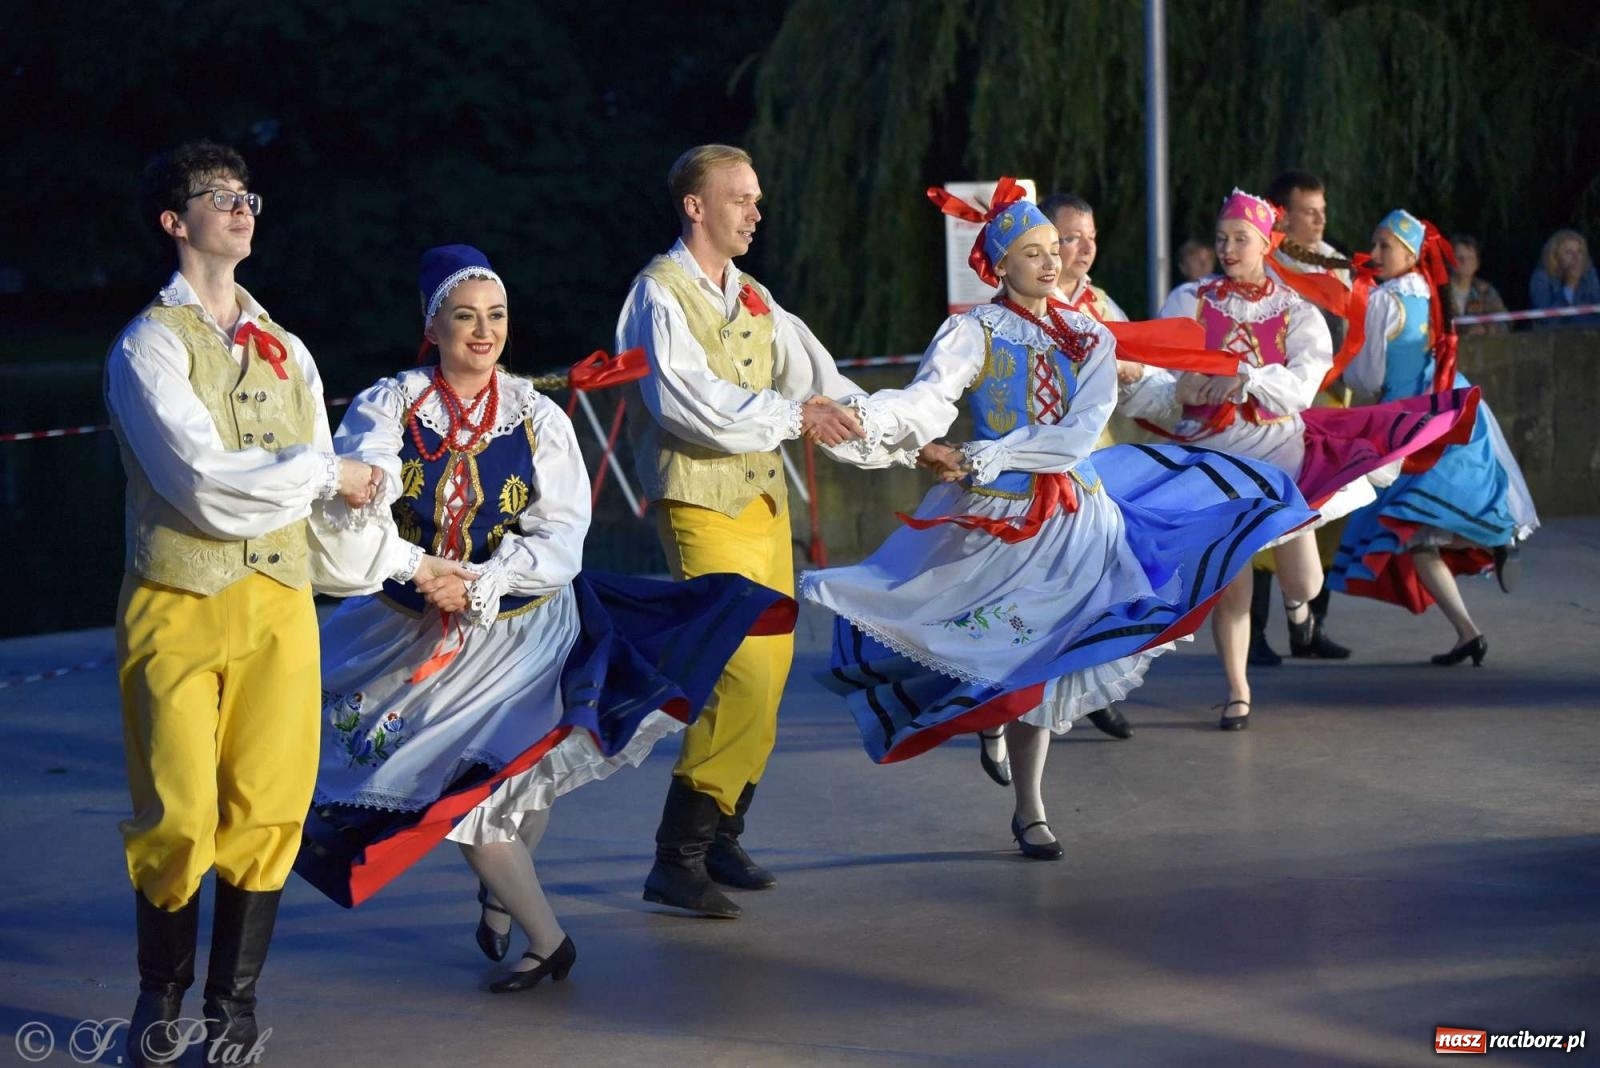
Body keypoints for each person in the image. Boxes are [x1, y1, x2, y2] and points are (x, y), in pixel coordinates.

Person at [294, 245, 796, 991]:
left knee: (497, 789)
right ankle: (514, 906)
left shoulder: (535, 415)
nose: (483, 332)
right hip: (408, 629)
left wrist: (485, 583)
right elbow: (356, 499)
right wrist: (421, 571)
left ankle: (541, 936)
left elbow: (560, 536)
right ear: (432, 327)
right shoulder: (389, 404)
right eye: (464, 317)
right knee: (424, 776)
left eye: (495, 316)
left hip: (521, 628)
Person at [802, 182, 1316, 858]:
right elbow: (929, 401)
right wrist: (877, 419)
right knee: (983, 643)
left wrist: (1182, 391)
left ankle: (1031, 806)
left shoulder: (1087, 333)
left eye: (1055, 250)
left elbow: (1090, 427)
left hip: (1072, 514)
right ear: (999, 264)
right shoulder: (971, 331)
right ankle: (987, 717)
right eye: (1033, 253)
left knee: (1047, 656)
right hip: (989, 516)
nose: (1052, 263)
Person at [105, 140, 381, 1066]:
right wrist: (320, 472)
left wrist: (395, 554)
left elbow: (324, 502)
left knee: (269, 807)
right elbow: (201, 484)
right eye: (218, 196)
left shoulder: (287, 349)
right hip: (178, 598)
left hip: (279, 602)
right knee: (179, 811)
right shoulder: (148, 345)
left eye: (248, 195)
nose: (241, 207)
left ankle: (232, 1005)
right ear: (174, 222)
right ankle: (161, 992)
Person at [616, 144, 871, 919]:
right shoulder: (658, 295)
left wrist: (902, 438)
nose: (756, 213)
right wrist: (796, 416)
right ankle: (677, 854)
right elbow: (686, 403)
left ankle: (722, 832)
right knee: (739, 671)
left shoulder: (754, 296)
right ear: (695, 206)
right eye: (740, 198)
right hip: (700, 500)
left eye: (757, 199)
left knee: (773, 668)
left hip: (763, 502)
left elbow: (821, 382)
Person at [1120, 189, 1480, 728]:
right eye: (1222, 238)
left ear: (1267, 244)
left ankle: (1300, 590)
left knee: (1303, 584)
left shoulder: (1294, 310)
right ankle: (1238, 690)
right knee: (1231, 580)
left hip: (1278, 455)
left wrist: (1244, 379)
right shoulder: (1189, 300)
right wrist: (1176, 385)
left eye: (1240, 238)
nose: (1228, 248)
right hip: (1211, 459)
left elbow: (1304, 383)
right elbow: (1164, 377)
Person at [1329, 211, 1540, 662]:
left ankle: (1496, 544)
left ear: (1409, 253)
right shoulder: (1430, 291)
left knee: (1417, 524)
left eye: (1386, 246)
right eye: (1376, 243)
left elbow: (1366, 378)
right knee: (1422, 530)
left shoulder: (1384, 300)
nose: (1377, 253)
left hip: (1412, 423)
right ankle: (1469, 630)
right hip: (1452, 402)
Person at [1254, 168, 1354, 665]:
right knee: (1270, 516)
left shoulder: (1335, 260)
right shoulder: (1262, 259)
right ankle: (1254, 635)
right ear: (1283, 215)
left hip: (1331, 398)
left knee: (1329, 513)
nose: (1319, 219)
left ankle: (1312, 628)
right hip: (1276, 404)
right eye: (1308, 211)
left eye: (1322, 210)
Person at [1528, 228, 1600, 328]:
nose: (1576, 257)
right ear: (1555, 256)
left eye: (1579, 252)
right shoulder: (1541, 278)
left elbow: (1597, 305)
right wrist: (1569, 286)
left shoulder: (1589, 274)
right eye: (1569, 252)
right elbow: (1547, 320)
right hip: (1554, 337)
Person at [1447, 235, 1509, 335]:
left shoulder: (1486, 291)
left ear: (1477, 263)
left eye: (1470, 258)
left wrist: (1486, 329)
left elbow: (1505, 322)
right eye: (1459, 257)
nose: (1464, 262)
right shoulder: (1438, 291)